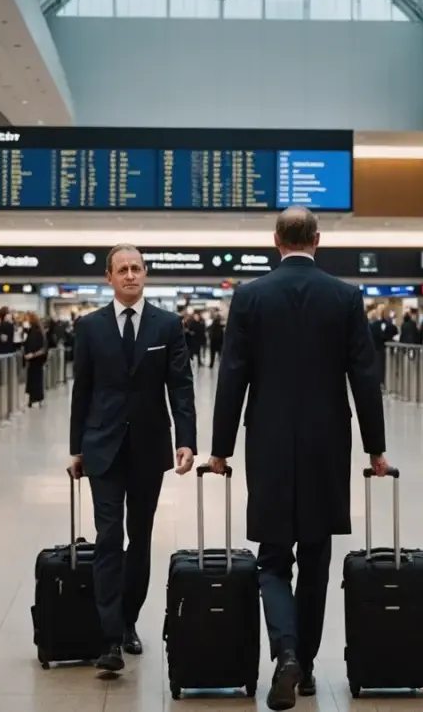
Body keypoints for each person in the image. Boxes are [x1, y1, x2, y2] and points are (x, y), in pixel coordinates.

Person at [206, 207, 387, 711]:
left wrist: (220, 449)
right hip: (327, 442)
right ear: (317, 240)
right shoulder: (346, 296)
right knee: (316, 557)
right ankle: (305, 667)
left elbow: (233, 376)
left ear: (276, 241)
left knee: (271, 557)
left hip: (268, 440)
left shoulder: (250, 296)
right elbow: (363, 377)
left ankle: (284, 651)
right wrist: (376, 447)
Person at [68, 243, 196, 674]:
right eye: (121, 269)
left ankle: (128, 622)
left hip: (148, 446)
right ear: (109, 277)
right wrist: (75, 448)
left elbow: (180, 385)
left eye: (136, 268)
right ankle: (108, 638)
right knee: (108, 538)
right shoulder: (89, 327)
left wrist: (187, 439)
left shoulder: (167, 325)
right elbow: (81, 391)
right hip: (102, 447)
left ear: (145, 274)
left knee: (139, 538)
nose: (129, 275)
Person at [22, 312, 47, 407]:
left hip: (34, 359)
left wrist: (31, 355)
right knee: (35, 378)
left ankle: (34, 398)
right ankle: (36, 398)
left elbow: (40, 347)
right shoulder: (36, 331)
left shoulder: (35, 332)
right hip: (35, 360)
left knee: (34, 379)